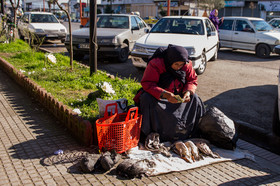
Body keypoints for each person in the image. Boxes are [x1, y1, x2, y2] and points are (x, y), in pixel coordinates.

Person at [135, 44, 205, 143]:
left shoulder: (187, 64)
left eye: (181, 65)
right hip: (159, 97)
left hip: (178, 95)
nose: (179, 67)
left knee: (195, 99)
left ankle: (190, 131)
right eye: (176, 64)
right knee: (146, 99)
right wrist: (165, 94)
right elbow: (147, 83)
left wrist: (188, 92)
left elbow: (192, 80)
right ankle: (151, 133)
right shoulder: (156, 64)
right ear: (170, 60)